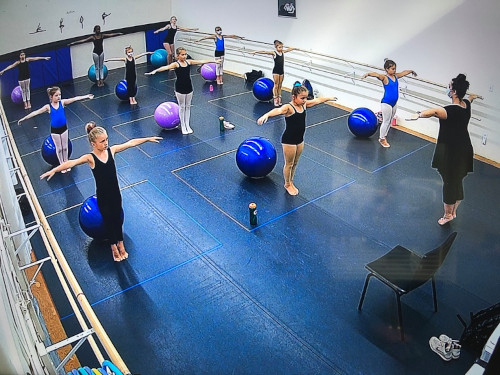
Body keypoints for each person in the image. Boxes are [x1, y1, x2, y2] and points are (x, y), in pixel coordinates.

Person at [40, 122, 162, 262]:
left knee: (117, 219)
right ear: (93, 143)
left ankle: (121, 245)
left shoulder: (112, 151)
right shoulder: (90, 158)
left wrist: (147, 138)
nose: (106, 143)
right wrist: (54, 170)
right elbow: (71, 163)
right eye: (102, 141)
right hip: (103, 197)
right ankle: (114, 249)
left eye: (107, 140)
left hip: (116, 193)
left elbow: (130, 143)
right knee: (109, 222)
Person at [406, 74, 482, 225]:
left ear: (453, 91)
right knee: (457, 179)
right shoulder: (466, 105)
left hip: (451, 152)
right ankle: (453, 210)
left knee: (448, 181)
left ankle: (448, 215)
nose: (447, 89)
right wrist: (473, 96)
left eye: (449, 86)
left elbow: (433, 112)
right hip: (465, 149)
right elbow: (470, 98)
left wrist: (418, 114)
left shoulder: (449, 110)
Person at [257, 85, 337, 195]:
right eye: (302, 98)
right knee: (289, 164)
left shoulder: (304, 105)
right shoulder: (289, 108)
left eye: (306, 98)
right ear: (294, 97)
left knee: (295, 163)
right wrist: (266, 115)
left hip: (300, 139)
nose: (305, 100)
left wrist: (328, 98)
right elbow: (278, 110)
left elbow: (317, 100)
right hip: (289, 140)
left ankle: (291, 181)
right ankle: (287, 184)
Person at [18, 87, 93, 171]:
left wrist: (86, 96)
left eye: (59, 95)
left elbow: (74, 99)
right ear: (51, 97)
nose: (58, 97)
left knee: (65, 147)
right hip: (55, 130)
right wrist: (24, 118)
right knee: (59, 148)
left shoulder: (62, 102)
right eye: (56, 95)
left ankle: (66, 163)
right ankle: (61, 165)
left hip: (64, 128)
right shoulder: (48, 107)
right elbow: (36, 112)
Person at [146, 47, 218, 135]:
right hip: (180, 88)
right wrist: (155, 71)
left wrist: (213, 61)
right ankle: (183, 126)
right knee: (182, 107)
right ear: (178, 56)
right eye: (182, 54)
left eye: (185, 54)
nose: (184, 56)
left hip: (189, 86)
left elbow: (201, 61)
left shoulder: (189, 62)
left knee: (188, 106)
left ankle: (187, 125)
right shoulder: (176, 64)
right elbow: (166, 67)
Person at [361, 59, 417, 148]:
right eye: (392, 69)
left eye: (395, 69)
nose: (394, 70)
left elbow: (403, 72)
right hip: (386, 103)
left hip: (394, 103)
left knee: (390, 121)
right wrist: (368, 74)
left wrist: (411, 71)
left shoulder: (396, 76)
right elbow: (377, 75)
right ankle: (382, 138)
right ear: (387, 69)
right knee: (386, 121)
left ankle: (384, 137)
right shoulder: (385, 78)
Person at [252, 40, 295, 107]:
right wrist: (256, 52)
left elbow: (289, 49)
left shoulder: (283, 52)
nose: (281, 49)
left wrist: (294, 48)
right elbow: (265, 52)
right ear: (276, 47)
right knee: (276, 85)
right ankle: (275, 99)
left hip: (281, 71)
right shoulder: (274, 53)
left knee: (280, 85)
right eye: (280, 47)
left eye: (282, 47)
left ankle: (279, 98)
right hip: (276, 71)